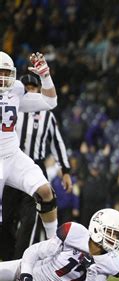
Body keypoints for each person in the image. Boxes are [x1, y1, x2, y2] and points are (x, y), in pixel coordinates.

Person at [2, 73, 72, 259]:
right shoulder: (15, 98)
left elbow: (57, 141)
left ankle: (50, 251)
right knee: (5, 221)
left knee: (31, 218)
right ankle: (8, 262)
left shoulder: (44, 115)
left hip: (26, 162)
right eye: (28, 88)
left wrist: (65, 170)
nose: (31, 91)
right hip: (7, 164)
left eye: (34, 88)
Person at [0, 208, 119, 281]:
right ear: (97, 228)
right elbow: (35, 251)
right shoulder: (75, 233)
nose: (115, 239)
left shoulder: (113, 262)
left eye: (118, 235)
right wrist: (26, 273)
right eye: (112, 233)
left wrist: (92, 270)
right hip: (25, 270)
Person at [0, 51, 59, 243]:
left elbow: (50, 102)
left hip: (13, 155)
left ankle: (54, 244)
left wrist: (45, 76)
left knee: (45, 191)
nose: (3, 78)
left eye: (6, 73)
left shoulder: (15, 89)